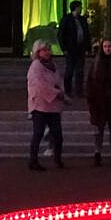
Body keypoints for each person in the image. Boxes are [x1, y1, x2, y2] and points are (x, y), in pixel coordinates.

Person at [84, 37, 111, 166]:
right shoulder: (96, 63)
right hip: (99, 101)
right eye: (105, 47)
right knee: (98, 130)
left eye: (109, 46)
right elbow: (90, 82)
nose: (108, 49)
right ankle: (97, 152)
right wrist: (90, 97)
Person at [26, 39, 66, 171]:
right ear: (38, 52)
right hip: (40, 105)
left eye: (49, 49)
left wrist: (61, 91)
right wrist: (57, 93)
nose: (48, 52)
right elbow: (40, 86)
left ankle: (58, 158)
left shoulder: (53, 65)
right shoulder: (35, 66)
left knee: (57, 134)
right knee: (38, 133)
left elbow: (59, 81)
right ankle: (33, 160)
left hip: (53, 105)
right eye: (45, 50)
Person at [57, 0, 90, 98]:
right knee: (70, 69)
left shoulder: (82, 19)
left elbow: (86, 33)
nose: (81, 9)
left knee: (80, 70)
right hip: (71, 48)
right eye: (80, 7)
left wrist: (88, 46)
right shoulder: (67, 19)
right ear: (76, 8)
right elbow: (61, 34)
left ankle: (79, 90)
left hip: (80, 48)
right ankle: (68, 90)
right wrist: (64, 48)